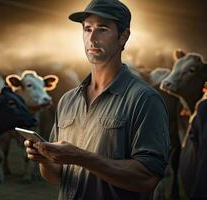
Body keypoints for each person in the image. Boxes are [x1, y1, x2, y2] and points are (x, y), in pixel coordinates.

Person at [24, 0, 170, 199]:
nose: (92, 38)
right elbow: (58, 176)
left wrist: (81, 158)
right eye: (87, 29)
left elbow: (147, 178)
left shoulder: (144, 99)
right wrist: (45, 160)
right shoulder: (68, 101)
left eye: (102, 29)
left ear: (123, 37)